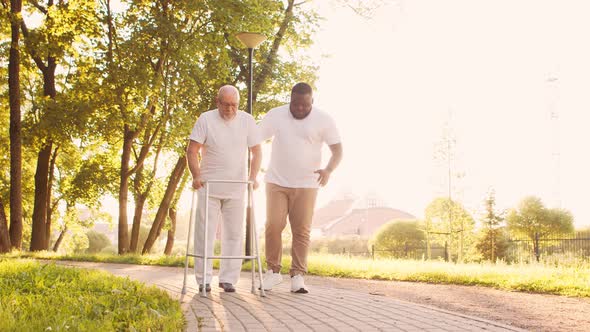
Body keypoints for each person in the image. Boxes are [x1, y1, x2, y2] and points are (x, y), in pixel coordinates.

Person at [259, 82, 343, 293]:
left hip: (307, 184)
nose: (299, 109)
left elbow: (338, 150)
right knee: (273, 225)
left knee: (302, 230)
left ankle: (297, 275)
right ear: (290, 100)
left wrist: (328, 170)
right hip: (277, 181)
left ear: (312, 102)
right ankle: (273, 272)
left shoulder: (324, 120)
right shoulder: (276, 115)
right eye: (295, 104)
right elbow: (255, 138)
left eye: (304, 105)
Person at [186, 85, 262, 293]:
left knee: (234, 234)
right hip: (209, 186)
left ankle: (228, 279)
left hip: (236, 187)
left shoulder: (247, 120)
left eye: (234, 105)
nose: (230, 109)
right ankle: (204, 279)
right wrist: (196, 175)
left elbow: (256, 152)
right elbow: (192, 151)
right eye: (226, 104)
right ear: (217, 102)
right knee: (205, 233)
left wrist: (252, 178)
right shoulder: (206, 119)